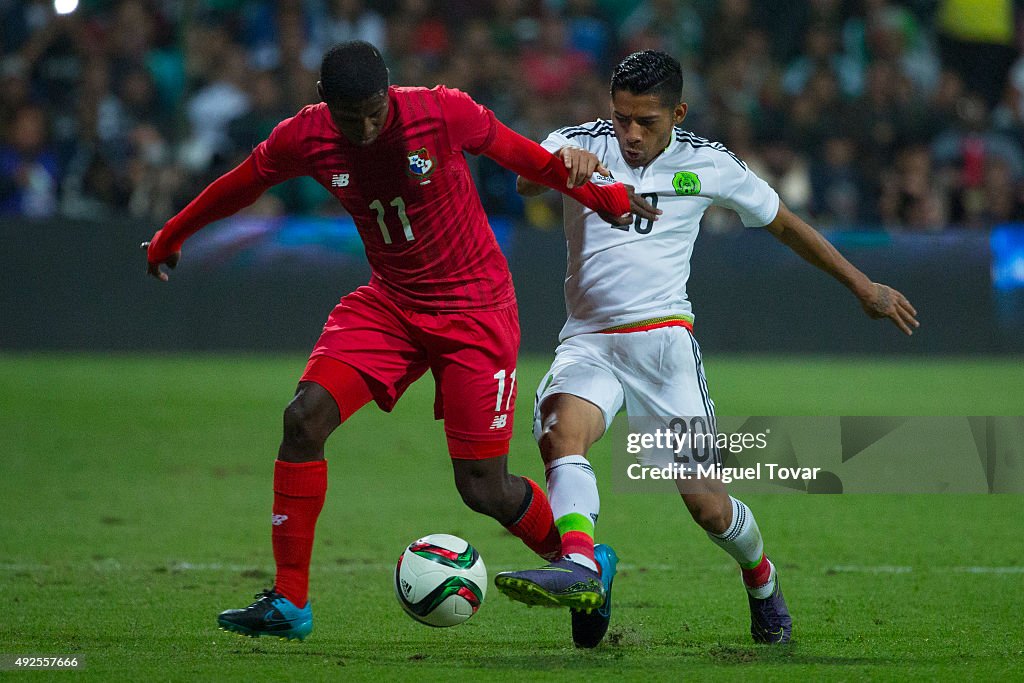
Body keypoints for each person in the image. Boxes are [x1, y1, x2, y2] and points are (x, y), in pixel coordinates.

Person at [141, 41, 657, 641]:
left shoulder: (442, 112)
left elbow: (529, 161)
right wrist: (172, 233)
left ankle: (588, 565)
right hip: (391, 303)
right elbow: (241, 184)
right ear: (323, 106)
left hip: (475, 312)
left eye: (373, 110)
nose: (363, 126)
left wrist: (609, 198)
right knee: (303, 419)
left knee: (481, 486)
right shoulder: (304, 136)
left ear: (389, 91)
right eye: (348, 115)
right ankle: (289, 601)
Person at [494, 50, 919, 648]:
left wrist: (864, 286)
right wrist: (563, 165)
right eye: (621, 119)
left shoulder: (710, 164)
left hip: (665, 351)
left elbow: (786, 224)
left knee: (709, 508)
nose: (631, 134)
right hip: (589, 341)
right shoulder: (577, 141)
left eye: (646, 121)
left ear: (679, 112)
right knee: (560, 431)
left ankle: (761, 576)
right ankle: (584, 567)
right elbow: (520, 176)